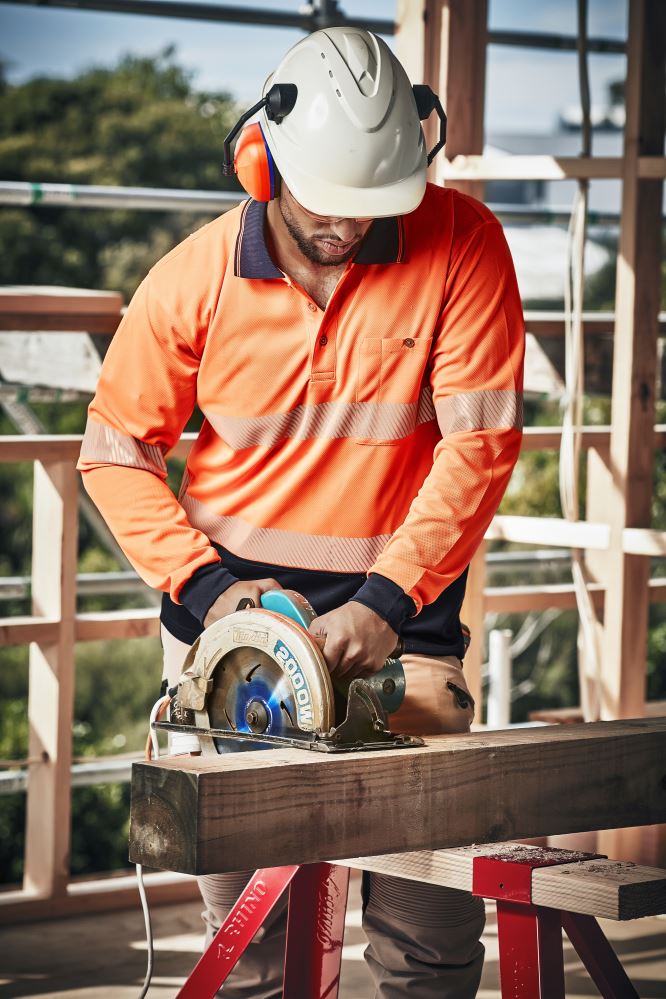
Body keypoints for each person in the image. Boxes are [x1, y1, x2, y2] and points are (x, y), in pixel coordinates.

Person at [78, 25, 524, 999]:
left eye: (376, 206)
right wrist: (215, 591)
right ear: (262, 162)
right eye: (330, 206)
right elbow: (113, 454)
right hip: (232, 639)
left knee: (429, 933)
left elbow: (481, 443)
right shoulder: (194, 277)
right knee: (249, 948)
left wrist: (387, 600)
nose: (349, 228)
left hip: (404, 626)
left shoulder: (463, 244)